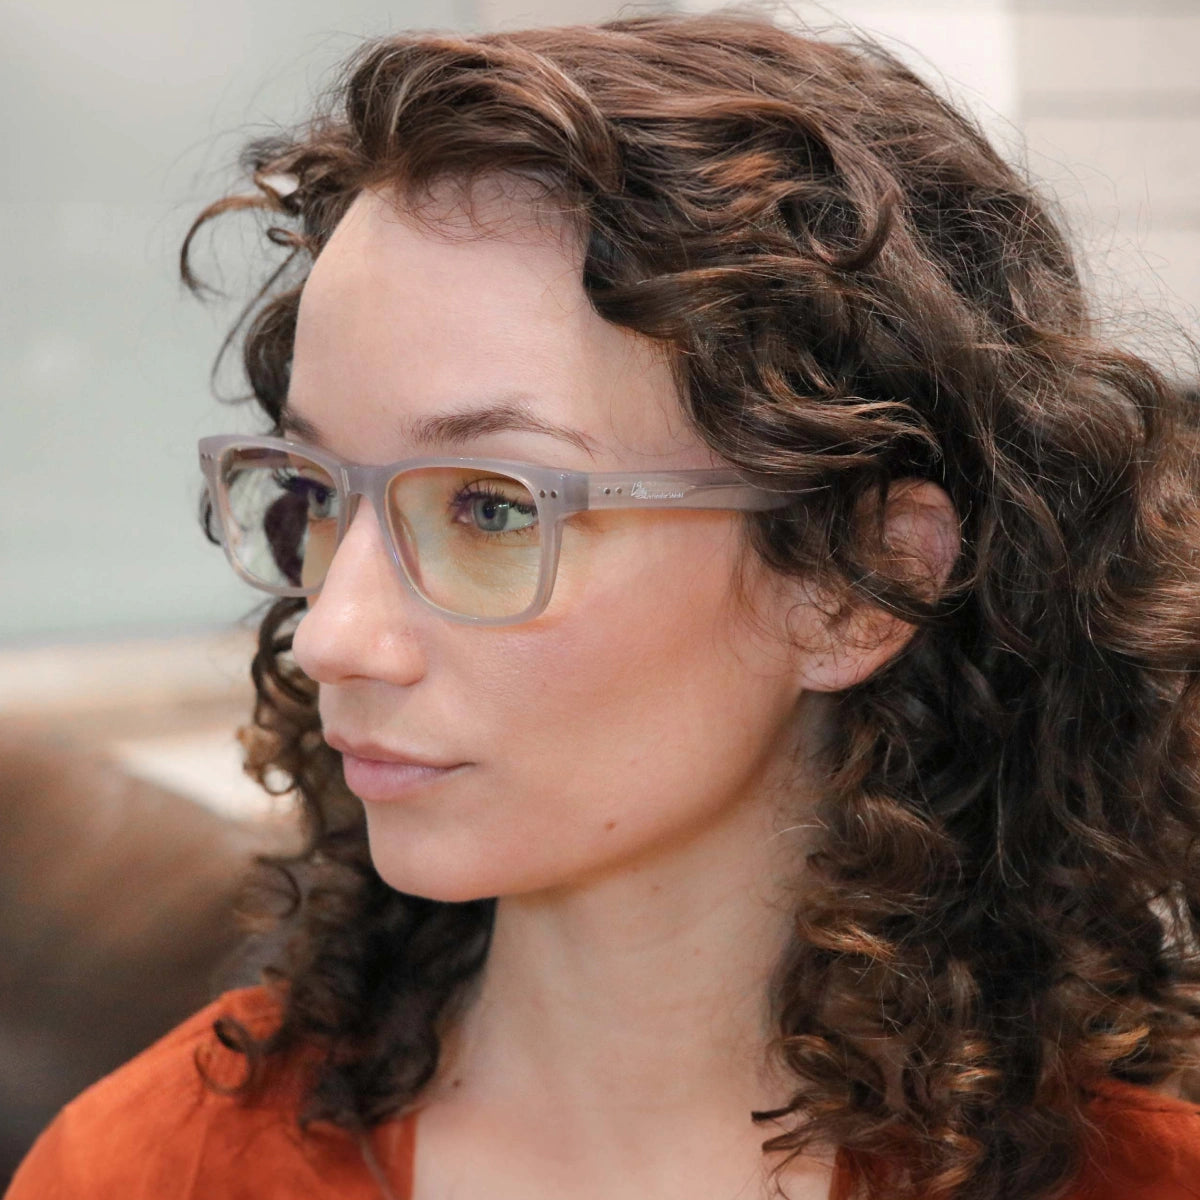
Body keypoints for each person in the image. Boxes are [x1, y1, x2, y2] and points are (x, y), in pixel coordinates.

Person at [10, 10, 1200, 1200]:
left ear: (852, 579)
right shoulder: (146, 1171)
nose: (333, 632)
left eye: (490, 508)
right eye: (316, 492)